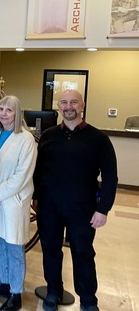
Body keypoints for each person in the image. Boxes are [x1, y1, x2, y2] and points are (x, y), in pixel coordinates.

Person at [33, 89, 118, 311]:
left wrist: (103, 209)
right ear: (58, 107)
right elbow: (39, 171)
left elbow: (110, 176)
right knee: (51, 250)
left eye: (73, 102)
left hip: (83, 207)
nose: (68, 106)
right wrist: (35, 198)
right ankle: (54, 291)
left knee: (83, 253)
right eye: (63, 102)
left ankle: (88, 301)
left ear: (82, 105)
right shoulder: (49, 136)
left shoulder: (99, 139)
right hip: (49, 206)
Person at [0, 95, 37, 311]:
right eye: (1, 109)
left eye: (9, 110)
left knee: (14, 247)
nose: (3, 113)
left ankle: (16, 292)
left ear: (17, 113)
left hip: (13, 201)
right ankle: (4, 282)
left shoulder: (26, 139)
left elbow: (23, 175)